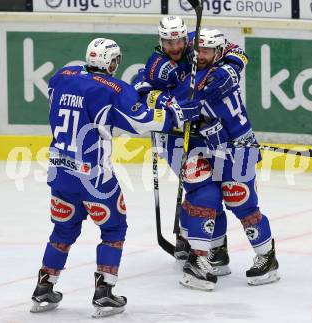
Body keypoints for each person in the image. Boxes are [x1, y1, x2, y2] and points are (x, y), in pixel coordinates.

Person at [30, 38, 200, 317]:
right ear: (111, 62)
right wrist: (175, 115)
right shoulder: (114, 89)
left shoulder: (63, 76)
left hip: (60, 172)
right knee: (113, 230)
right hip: (94, 178)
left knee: (62, 231)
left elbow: (58, 98)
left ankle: (44, 288)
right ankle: (104, 293)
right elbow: (142, 122)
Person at [133, 16, 249, 277]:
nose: (174, 47)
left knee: (208, 190)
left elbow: (237, 52)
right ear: (159, 41)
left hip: (204, 136)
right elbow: (140, 91)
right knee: (201, 190)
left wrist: (229, 67)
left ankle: (202, 243)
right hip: (174, 138)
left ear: (186, 38)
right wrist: (167, 101)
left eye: (178, 41)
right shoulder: (158, 67)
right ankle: (195, 242)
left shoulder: (201, 46)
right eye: (168, 42)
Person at [168, 28, 280, 291]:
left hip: (237, 147)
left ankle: (267, 257)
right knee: (206, 199)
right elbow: (236, 54)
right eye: (198, 50)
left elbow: (181, 104)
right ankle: (211, 254)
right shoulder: (213, 70)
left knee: (240, 200)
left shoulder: (213, 78)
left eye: (206, 51)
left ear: (217, 52)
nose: (201, 55)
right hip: (209, 148)